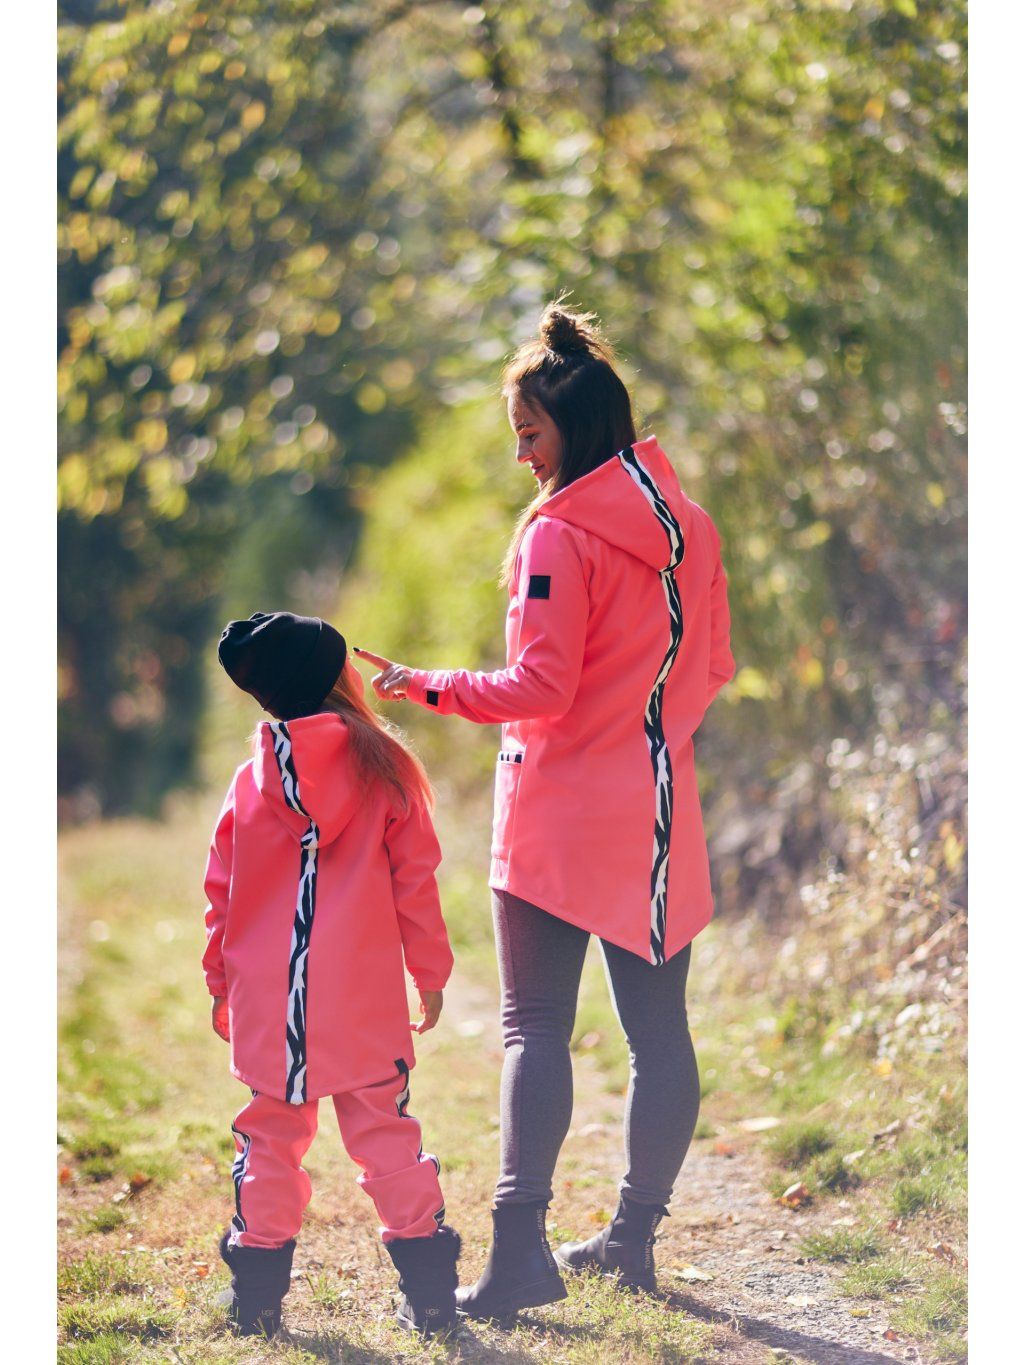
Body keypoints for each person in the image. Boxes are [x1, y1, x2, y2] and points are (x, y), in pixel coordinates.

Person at [354, 302, 735, 1319]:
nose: (521, 456)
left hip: (557, 815)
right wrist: (646, 737)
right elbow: (712, 667)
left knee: (534, 1028)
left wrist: (424, 684)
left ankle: (520, 1251)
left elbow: (540, 686)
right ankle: (631, 1241)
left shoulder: (559, 535)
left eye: (529, 434)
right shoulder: (693, 529)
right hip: (658, 812)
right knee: (660, 1036)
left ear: (576, 425)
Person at [202, 610, 461, 1338]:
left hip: (271, 1001)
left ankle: (256, 1300)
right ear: (335, 677)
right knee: (387, 1135)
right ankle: (432, 1297)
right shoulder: (386, 768)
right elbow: (417, 883)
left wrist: (220, 981)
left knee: (269, 1141)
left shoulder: (251, 782)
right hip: (364, 1000)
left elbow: (220, 892)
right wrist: (430, 972)